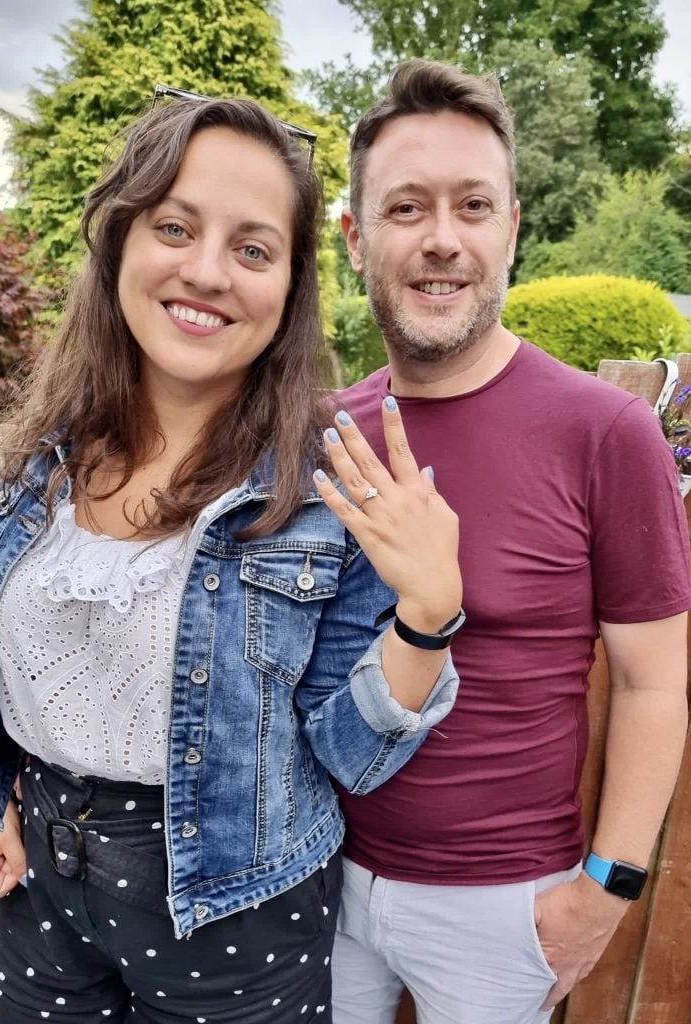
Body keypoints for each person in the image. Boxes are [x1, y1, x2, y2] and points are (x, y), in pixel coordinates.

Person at [0, 89, 464, 1024]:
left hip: (235, 906)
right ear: (119, 243)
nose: (206, 271)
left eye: (252, 248)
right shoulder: (45, 456)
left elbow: (346, 759)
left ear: (287, 287)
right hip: (40, 881)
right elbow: (12, 661)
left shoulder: (324, 488)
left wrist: (426, 614)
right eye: (174, 226)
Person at [331, 59, 691, 1024]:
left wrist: (602, 894)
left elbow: (656, 682)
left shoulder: (603, 434)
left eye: (472, 206)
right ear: (355, 239)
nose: (441, 239)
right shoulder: (324, 432)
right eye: (405, 209)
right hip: (315, 881)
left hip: (502, 909)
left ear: (512, 229)